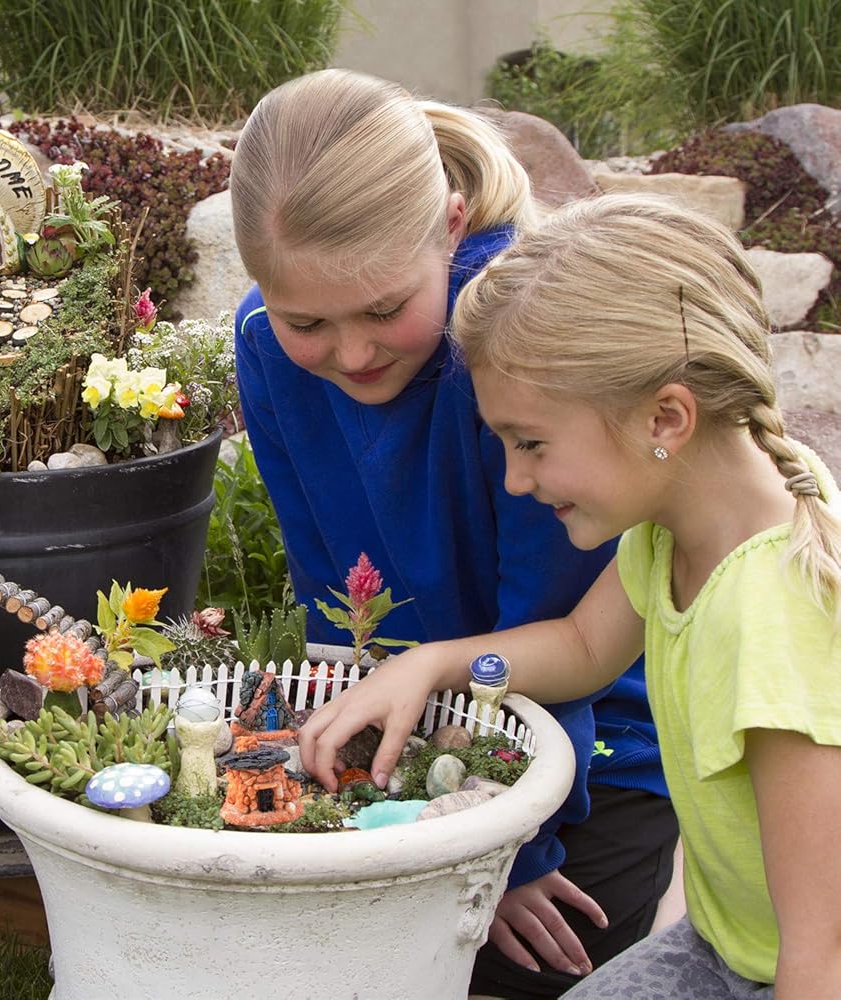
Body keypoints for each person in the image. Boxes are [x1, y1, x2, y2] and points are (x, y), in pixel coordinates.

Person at [299, 194, 841, 998]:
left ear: (666, 418)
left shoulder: (772, 621)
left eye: (531, 444)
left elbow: (823, 952)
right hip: (729, 941)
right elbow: (584, 648)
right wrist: (432, 665)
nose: (516, 480)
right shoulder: (683, 529)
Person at [231, 69, 677, 999]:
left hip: (589, 736)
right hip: (409, 708)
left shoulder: (517, 342)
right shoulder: (267, 346)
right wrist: (348, 744)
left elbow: (562, 631)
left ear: (450, 225)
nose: (353, 353)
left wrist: (510, 849)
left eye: (384, 310)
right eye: (308, 319)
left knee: (520, 970)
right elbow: (330, 585)